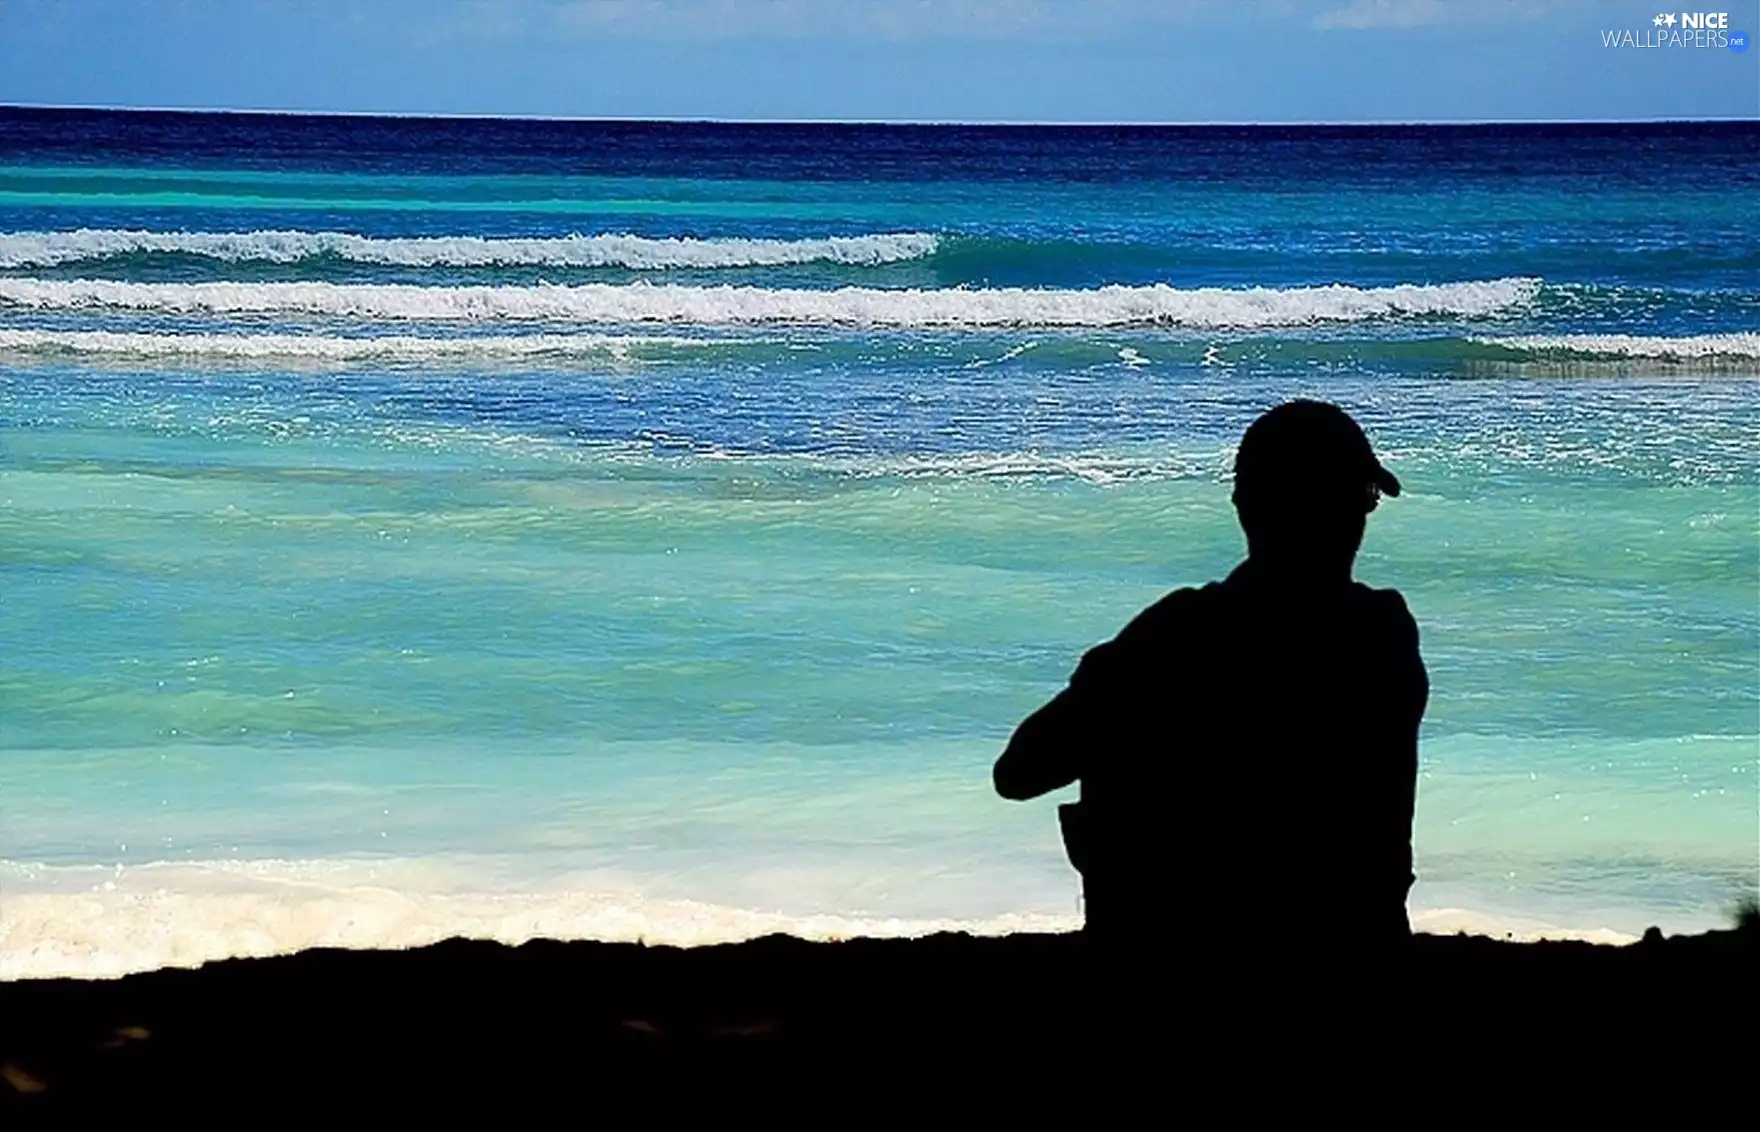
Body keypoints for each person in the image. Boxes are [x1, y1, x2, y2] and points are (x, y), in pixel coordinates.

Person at [993, 400, 1428, 966]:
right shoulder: (1384, 633)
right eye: (1364, 498)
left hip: (1172, 944)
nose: (1364, 517)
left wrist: (1113, 677)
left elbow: (1020, 772)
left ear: (1244, 505)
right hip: (1357, 940)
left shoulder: (1175, 637)